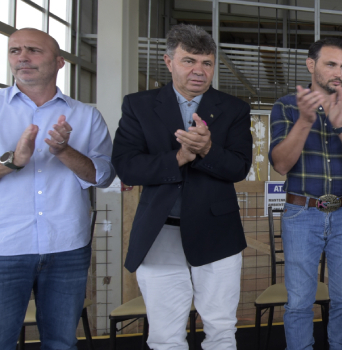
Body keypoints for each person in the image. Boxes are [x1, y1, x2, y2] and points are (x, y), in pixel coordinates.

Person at [0, 28, 115, 348]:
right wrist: (11, 161)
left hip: (67, 248)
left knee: (61, 342)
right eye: (15, 51)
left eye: (33, 51)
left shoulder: (86, 115)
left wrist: (64, 151)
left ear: (59, 62)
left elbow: (103, 175)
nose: (22, 57)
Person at [112, 24, 252, 349]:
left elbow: (238, 167)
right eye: (189, 61)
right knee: (164, 335)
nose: (199, 71)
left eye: (207, 63)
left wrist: (206, 150)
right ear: (169, 61)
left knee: (221, 328)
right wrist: (179, 157)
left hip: (218, 233)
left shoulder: (233, 109)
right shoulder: (139, 105)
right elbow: (126, 166)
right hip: (160, 233)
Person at [268, 37, 342, 350]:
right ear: (311, 65)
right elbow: (281, 164)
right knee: (300, 302)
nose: (338, 72)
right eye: (331, 64)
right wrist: (305, 121)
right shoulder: (286, 106)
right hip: (302, 214)